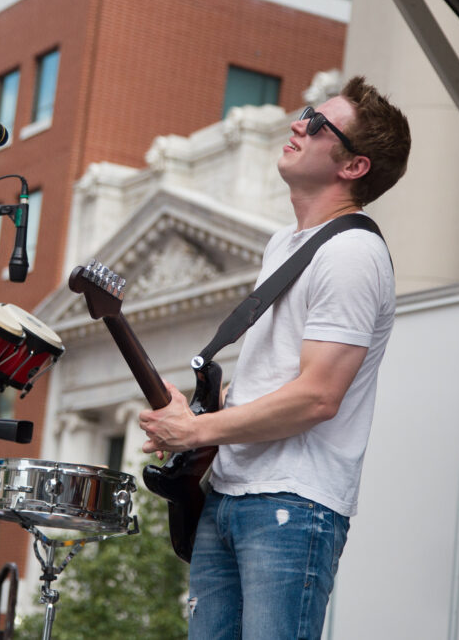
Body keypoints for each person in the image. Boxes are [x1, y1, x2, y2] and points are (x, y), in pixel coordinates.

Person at [138, 76, 411, 639]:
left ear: (353, 166)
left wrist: (195, 432)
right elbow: (277, 377)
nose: (298, 123)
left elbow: (317, 397)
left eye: (318, 123)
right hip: (230, 491)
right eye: (306, 112)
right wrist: (200, 410)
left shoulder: (352, 253)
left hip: (293, 503)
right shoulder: (284, 244)